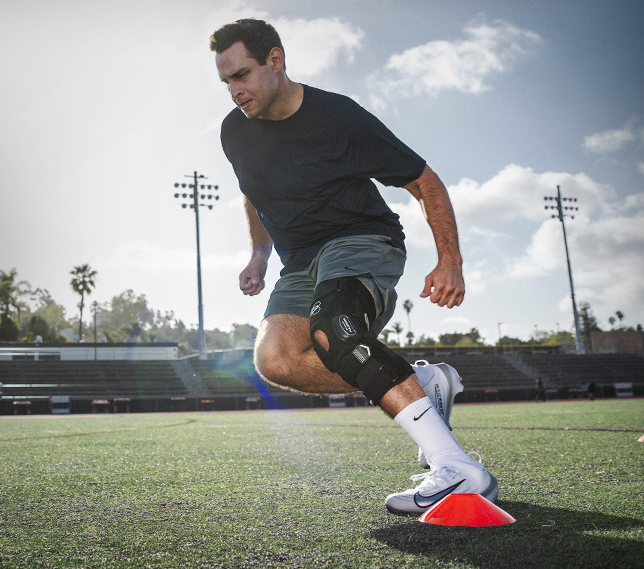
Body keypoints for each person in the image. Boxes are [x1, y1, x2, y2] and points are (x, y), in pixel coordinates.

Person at [211, 18, 497, 515]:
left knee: (335, 327)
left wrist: (449, 261)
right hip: (301, 261)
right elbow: (251, 193)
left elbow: (426, 182)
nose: (235, 91)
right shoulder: (235, 132)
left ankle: (456, 467)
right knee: (275, 360)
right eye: (226, 81)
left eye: (242, 75)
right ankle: (425, 383)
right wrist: (258, 254)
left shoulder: (339, 118)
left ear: (276, 61)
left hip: (361, 239)